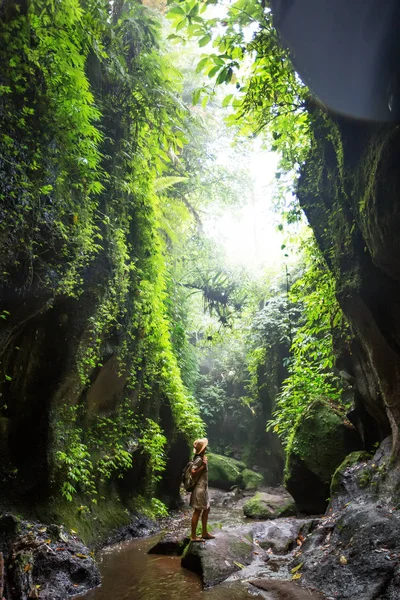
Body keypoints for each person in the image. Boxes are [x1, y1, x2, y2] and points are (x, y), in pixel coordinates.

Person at [190, 437, 215, 542]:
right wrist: (203, 466)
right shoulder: (199, 459)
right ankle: (193, 536)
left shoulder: (201, 457)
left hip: (203, 488)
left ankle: (204, 532)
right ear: (203, 449)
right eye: (205, 447)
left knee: (207, 509)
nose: (206, 447)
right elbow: (193, 472)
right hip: (199, 488)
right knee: (197, 511)